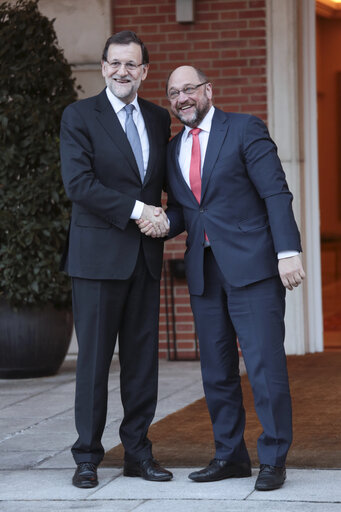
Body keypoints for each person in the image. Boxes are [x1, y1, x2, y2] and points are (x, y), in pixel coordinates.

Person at [137, 65, 305, 491]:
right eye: (173, 93)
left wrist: (288, 252)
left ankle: (273, 458)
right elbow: (186, 210)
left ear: (208, 90)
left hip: (254, 268)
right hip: (204, 273)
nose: (181, 98)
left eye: (188, 89)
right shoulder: (174, 149)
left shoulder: (245, 128)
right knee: (216, 370)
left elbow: (275, 192)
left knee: (265, 366)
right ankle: (230, 455)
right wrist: (160, 221)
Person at [59, 31, 173, 488]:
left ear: (144, 71)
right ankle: (87, 456)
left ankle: (138, 453)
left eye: (132, 64)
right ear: (103, 67)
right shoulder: (79, 116)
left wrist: (168, 218)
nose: (123, 71)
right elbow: (79, 185)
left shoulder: (158, 117)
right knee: (94, 363)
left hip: (145, 257)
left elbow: (166, 183)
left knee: (142, 362)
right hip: (97, 260)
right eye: (115, 63)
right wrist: (140, 212)